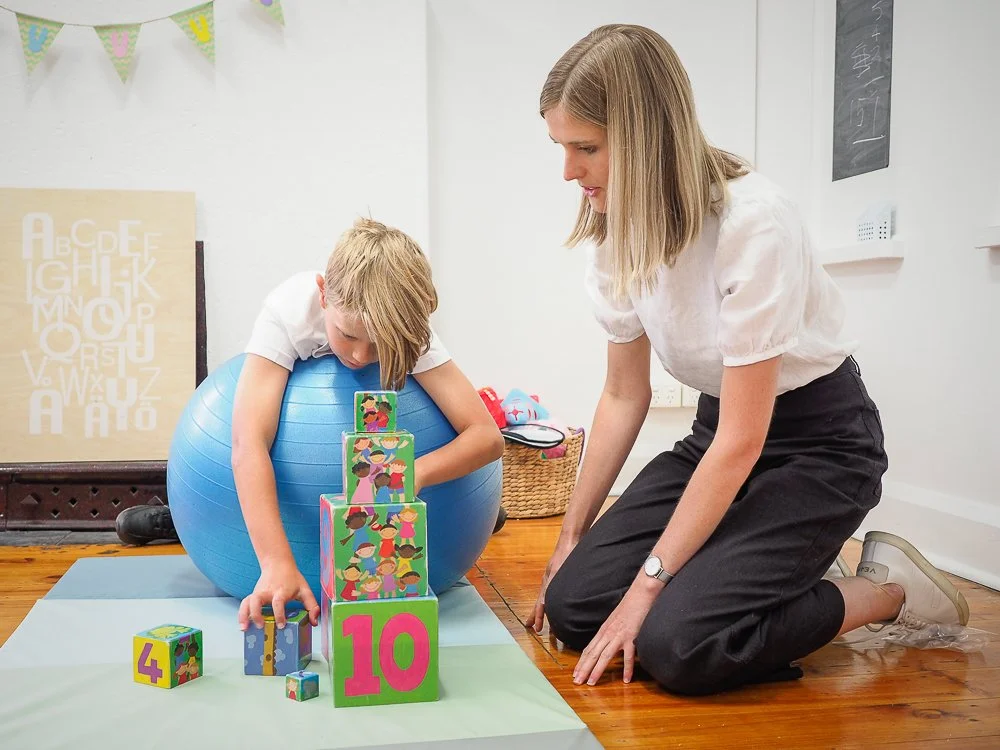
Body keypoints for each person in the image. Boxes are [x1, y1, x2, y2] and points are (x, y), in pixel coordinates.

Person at [525, 24, 970, 696]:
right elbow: (623, 395)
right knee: (576, 606)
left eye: (585, 148)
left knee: (677, 644)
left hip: (819, 448)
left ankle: (887, 592)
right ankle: (759, 572)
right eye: (561, 147)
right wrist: (569, 539)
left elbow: (745, 439)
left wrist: (648, 589)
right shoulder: (615, 233)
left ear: (645, 140)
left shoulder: (754, 223)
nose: (568, 171)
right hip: (719, 437)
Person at [116, 218, 507, 631]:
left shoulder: (402, 325)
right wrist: (276, 564)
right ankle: (179, 524)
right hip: (240, 503)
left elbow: (486, 437)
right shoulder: (287, 311)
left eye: (379, 345)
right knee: (234, 482)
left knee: (455, 495)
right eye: (348, 335)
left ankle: (467, 516)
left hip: (392, 485)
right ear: (323, 294)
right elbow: (248, 444)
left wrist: (413, 473)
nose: (359, 355)